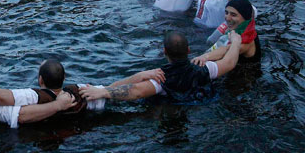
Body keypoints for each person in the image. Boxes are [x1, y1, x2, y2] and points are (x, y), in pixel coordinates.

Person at [80, 30, 243, 104]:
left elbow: (136, 91)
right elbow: (229, 63)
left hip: (170, 110)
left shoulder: (161, 77)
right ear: (188, 50)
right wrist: (236, 42)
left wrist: (104, 91)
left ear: (164, 51)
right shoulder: (202, 68)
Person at [0, 59, 107, 117]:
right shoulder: (81, 91)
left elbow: (0, 97)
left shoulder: (33, 96)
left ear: (40, 80)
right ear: (64, 78)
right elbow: (112, 89)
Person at [195, 0, 261, 64]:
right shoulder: (239, 28)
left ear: (245, 17)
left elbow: (225, 50)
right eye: (226, 13)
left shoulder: (247, 40)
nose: (227, 18)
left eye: (233, 15)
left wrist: (204, 57)